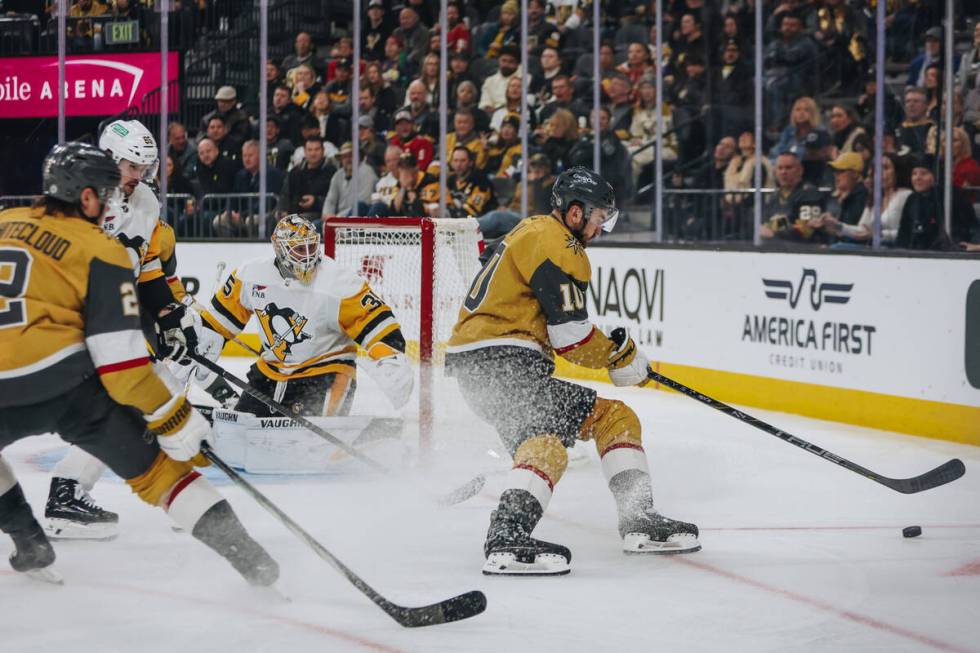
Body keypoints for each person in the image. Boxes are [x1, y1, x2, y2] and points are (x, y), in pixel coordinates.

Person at [0, 142, 278, 586]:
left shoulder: (3, 222)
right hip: (64, 384)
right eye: (106, 192)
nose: (112, 200)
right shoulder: (100, 248)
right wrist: (174, 418)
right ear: (85, 197)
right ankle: (255, 564)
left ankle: (27, 539)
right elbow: (123, 366)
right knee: (162, 476)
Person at [446, 167, 700, 576]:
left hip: (477, 366)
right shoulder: (560, 245)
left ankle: (510, 534)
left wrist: (614, 353)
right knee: (613, 417)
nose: (601, 227)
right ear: (576, 212)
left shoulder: (530, 229)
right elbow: (572, 339)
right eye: (599, 217)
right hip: (505, 362)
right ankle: (634, 519)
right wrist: (619, 355)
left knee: (543, 444)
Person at [44, 120, 200, 540]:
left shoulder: (145, 199)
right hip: (74, 317)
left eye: (147, 168)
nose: (140, 177)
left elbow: (145, 266)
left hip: (114, 314)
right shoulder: (83, 196)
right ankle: (174, 493)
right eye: (133, 166)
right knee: (140, 399)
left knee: (145, 398)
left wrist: (167, 315)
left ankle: (70, 493)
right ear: (111, 158)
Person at [194, 215, 414, 418]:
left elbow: (378, 323)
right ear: (278, 248)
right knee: (241, 437)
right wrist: (201, 340)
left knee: (317, 448)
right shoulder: (249, 275)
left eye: (311, 246)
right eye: (300, 248)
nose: (308, 255)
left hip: (326, 373)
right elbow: (221, 317)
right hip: (269, 373)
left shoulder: (338, 281)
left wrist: (390, 356)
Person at [760, 151, 826, 244]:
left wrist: (774, 233)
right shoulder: (774, 197)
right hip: (775, 248)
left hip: (804, 250)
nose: (783, 172)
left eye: (788, 168)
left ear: (800, 170)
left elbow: (807, 230)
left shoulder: (809, 193)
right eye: (780, 168)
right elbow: (764, 224)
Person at [279, 137, 335, 222]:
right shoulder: (295, 172)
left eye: (317, 149)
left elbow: (334, 200)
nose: (313, 153)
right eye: (309, 150)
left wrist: (315, 201)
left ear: (323, 151)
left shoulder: (331, 172)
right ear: (304, 152)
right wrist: (282, 210)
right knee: (271, 218)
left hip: (319, 213)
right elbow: (285, 195)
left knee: (299, 221)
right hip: (293, 212)